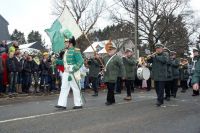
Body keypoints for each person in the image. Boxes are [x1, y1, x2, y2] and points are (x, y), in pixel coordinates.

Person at [55, 36, 84, 110]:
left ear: (70, 43)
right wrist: (56, 61)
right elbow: (64, 62)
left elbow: (80, 61)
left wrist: (75, 68)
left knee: (76, 88)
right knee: (63, 87)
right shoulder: (66, 51)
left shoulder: (76, 50)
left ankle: (78, 104)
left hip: (73, 72)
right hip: (66, 72)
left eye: (66, 42)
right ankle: (61, 104)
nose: (65, 44)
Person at [103, 40, 125, 105]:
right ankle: (113, 100)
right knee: (110, 88)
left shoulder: (117, 58)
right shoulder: (105, 57)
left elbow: (122, 66)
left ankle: (109, 100)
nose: (110, 51)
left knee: (110, 88)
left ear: (114, 50)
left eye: (112, 50)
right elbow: (102, 65)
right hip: (106, 75)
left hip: (113, 75)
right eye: (109, 50)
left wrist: (123, 74)